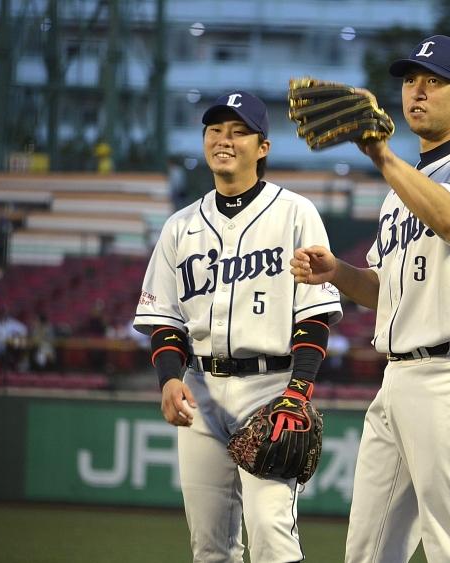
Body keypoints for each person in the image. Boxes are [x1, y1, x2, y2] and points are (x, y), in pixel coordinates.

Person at [291, 35, 450, 563]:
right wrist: (337, 271)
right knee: (367, 552)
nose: (416, 91)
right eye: (411, 80)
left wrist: (382, 156)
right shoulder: (401, 191)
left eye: (434, 81)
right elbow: (383, 286)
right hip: (397, 380)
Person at [133, 90, 342, 563]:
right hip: (200, 390)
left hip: (271, 389)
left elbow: (314, 313)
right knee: (209, 546)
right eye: (215, 130)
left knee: (271, 533)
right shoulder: (180, 226)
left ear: (263, 147)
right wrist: (168, 380)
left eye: (239, 130)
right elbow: (166, 322)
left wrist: (298, 392)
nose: (224, 140)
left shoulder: (295, 213)